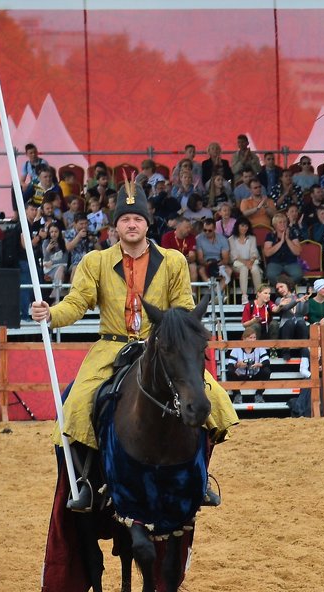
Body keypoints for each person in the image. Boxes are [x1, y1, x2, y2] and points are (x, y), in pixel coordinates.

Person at [28, 177, 238, 509]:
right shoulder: (94, 262)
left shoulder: (173, 261)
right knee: (77, 405)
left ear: (146, 223)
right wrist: (50, 313)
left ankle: (200, 478)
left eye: (137, 219)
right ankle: (83, 482)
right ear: (115, 226)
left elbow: (182, 306)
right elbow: (76, 304)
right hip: (111, 347)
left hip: (159, 347)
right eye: (125, 219)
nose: (131, 224)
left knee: (212, 399)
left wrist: (182, 331)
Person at [225, 322, 270, 403]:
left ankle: (259, 394)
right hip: (241, 374)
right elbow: (230, 366)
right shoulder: (237, 349)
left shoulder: (259, 348)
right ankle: (237, 395)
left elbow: (267, 361)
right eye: (250, 338)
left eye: (254, 338)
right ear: (244, 339)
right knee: (230, 373)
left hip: (255, 374)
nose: (253, 340)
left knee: (266, 371)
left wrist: (259, 364)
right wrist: (238, 365)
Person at [262, 212, 302, 285]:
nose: (283, 224)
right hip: (275, 262)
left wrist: (287, 239)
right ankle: (284, 288)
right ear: (275, 225)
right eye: (280, 222)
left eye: (284, 222)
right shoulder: (270, 236)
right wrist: (281, 242)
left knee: (298, 274)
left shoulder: (292, 234)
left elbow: (297, 252)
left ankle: (285, 288)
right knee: (270, 275)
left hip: (290, 262)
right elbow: (267, 253)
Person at [228, 219, 262, 301]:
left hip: (251, 261)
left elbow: (254, 252)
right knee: (244, 269)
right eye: (242, 226)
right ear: (237, 226)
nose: (244, 228)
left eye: (246, 226)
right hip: (238, 263)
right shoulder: (231, 239)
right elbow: (234, 255)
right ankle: (244, 295)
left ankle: (259, 294)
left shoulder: (252, 238)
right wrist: (246, 263)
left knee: (255, 269)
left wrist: (251, 261)